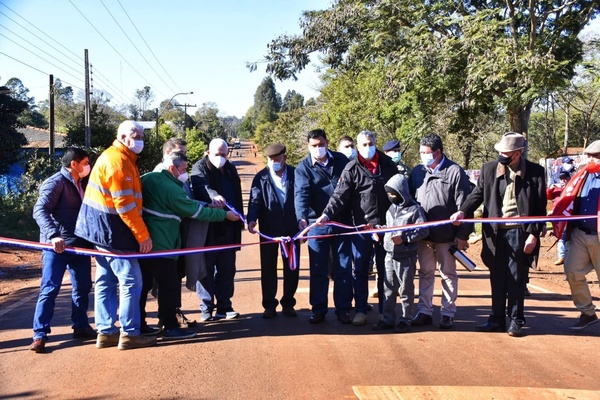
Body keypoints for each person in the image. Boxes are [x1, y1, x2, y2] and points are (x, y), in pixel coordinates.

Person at [451, 132, 546, 337]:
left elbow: (540, 208)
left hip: (519, 232)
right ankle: (496, 319)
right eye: (500, 152)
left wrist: (533, 235)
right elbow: (477, 194)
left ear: (518, 153)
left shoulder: (536, 172)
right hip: (494, 233)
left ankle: (515, 320)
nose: (502, 155)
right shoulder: (489, 169)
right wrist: (463, 210)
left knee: (517, 278)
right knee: (497, 277)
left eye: (507, 153)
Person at [139, 151, 239, 340]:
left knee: (143, 285)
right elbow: (193, 210)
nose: (186, 174)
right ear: (172, 168)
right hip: (163, 243)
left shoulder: (148, 178)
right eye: (184, 169)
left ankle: (139, 324)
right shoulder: (171, 188)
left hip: (145, 242)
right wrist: (224, 215)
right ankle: (169, 326)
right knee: (170, 285)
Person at [75, 120, 156, 350]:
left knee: (106, 281)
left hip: (101, 230)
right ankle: (130, 333)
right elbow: (125, 205)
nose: (139, 138)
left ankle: (106, 332)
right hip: (112, 231)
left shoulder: (121, 158)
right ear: (122, 137)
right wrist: (142, 236)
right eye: (135, 135)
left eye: (141, 134)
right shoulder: (118, 162)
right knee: (131, 280)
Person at [317, 130, 398, 326]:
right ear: (358, 147)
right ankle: (361, 310)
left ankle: (384, 311)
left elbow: (400, 192)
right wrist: (326, 214)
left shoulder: (388, 165)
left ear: (375, 142)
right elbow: (339, 196)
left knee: (386, 270)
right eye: (363, 145)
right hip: (361, 228)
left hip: (385, 227)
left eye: (370, 143)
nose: (367, 148)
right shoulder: (351, 168)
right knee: (359, 269)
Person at [29, 147, 96, 353]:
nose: (88, 166)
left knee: (83, 287)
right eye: (85, 162)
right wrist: (53, 235)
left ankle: (81, 325)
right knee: (49, 289)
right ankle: (39, 335)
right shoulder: (55, 182)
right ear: (74, 164)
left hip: (79, 245)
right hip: (56, 247)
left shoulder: (84, 182)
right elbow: (40, 210)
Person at [408, 133, 472, 330]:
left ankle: (447, 313)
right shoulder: (417, 172)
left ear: (438, 152)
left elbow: (466, 206)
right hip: (424, 236)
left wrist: (462, 234)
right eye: (420, 152)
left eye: (426, 153)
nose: (423, 156)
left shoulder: (455, 172)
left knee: (447, 273)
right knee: (426, 273)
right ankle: (425, 311)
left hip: (447, 236)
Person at [295, 128, 354, 324]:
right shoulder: (303, 168)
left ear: (327, 143)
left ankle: (343, 309)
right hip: (316, 225)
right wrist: (302, 218)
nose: (318, 148)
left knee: (344, 267)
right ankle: (318, 309)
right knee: (318, 269)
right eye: (314, 146)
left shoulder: (342, 161)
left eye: (321, 144)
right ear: (308, 146)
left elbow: (350, 189)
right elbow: (301, 194)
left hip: (341, 222)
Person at [191, 138, 244, 321]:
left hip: (230, 227)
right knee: (206, 270)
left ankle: (224, 306)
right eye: (216, 154)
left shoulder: (230, 168)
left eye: (223, 154)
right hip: (209, 229)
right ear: (208, 152)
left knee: (227, 269)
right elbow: (201, 187)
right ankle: (206, 308)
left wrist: (241, 221)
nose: (220, 158)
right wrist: (215, 197)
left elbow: (237, 194)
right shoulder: (200, 168)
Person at [550, 140, 600, 330]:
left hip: (599, 235)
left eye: (595, 156)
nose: (590, 159)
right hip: (579, 233)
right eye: (588, 156)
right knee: (572, 271)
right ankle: (587, 313)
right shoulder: (581, 175)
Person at [247, 143, 300, 318]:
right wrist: (252, 219)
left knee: (291, 267)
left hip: (292, 229)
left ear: (285, 157)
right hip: (269, 230)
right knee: (268, 267)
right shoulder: (261, 177)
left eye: (277, 159)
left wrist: (304, 221)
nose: (274, 162)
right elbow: (255, 200)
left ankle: (288, 303)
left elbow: (303, 198)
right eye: (270, 159)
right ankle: (269, 304)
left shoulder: (296, 174)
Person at [372, 174, 428, 333]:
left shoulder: (415, 210)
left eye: (394, 193)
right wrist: (382, 230)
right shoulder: (391, 208)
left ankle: (405, 319)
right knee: (388, 288)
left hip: (406, 256)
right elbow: (391, 226)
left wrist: (404, 238)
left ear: (402, 192)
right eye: (388, 194)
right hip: (389, 254)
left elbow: (424, 230)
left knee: (406, 289)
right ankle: (388, 319)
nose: (391, 197)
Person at [152, 137, 198, 328]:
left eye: (185, 153)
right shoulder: (160, 176)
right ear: (167, 155)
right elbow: (187, 206)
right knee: (165, 281)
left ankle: (174, 313)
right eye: (179, 152)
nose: (183, 156)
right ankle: (168, 319)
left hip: (177, 235)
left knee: (174, 277)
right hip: (163, 238)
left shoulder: (179, 174)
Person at [547, 171, 571, 266]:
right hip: (558, 217)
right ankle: (562, 256)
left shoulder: (574, 188)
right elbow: (547, 197)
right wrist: (550, 189)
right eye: (561, 178)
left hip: (570, 216)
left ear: (569, 178)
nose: (563, 180)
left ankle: (566, 257)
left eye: (565, 178)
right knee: (561, 236)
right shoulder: (556, 190)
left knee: (570, 237)